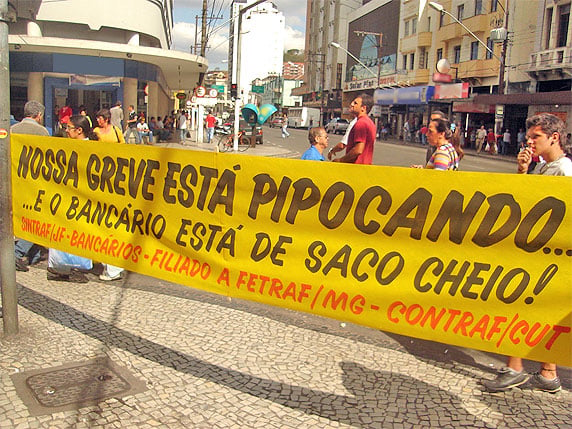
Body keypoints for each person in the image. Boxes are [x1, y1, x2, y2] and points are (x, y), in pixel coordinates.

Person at [482, 113, 571, 394]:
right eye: (529, 137)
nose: (529, 142)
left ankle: (514, 368)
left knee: (517, 306)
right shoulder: (546, 166)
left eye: (536, 137)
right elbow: (527, 199)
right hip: (541, 253)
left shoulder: (564, 169)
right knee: (542, 312)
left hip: (547, 255)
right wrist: (522, 171)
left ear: (554, 137)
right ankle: (547, 372)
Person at [47, 115, 96, 283]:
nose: (66, 131)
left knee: (80, 232)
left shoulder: (92, 149)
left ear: (79, 130)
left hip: (82, 198)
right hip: (66, 196)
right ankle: (60, 267)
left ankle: (76, 267)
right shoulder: (67, 146)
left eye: (68, 128)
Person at [11, 100, 50, 272]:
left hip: (15, 179)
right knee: (36, 218)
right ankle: (17, 253)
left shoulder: (13, 130)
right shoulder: (42, 132)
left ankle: (34, 255)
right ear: (39, 115)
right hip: (34, 182)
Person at [328, 93, 375, 164]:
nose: (351, 104)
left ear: (363, 108)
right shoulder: (369, 122)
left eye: (355, 103)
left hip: (356, 168)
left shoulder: (361, 123)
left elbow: (358, 150)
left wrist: (341, 160)